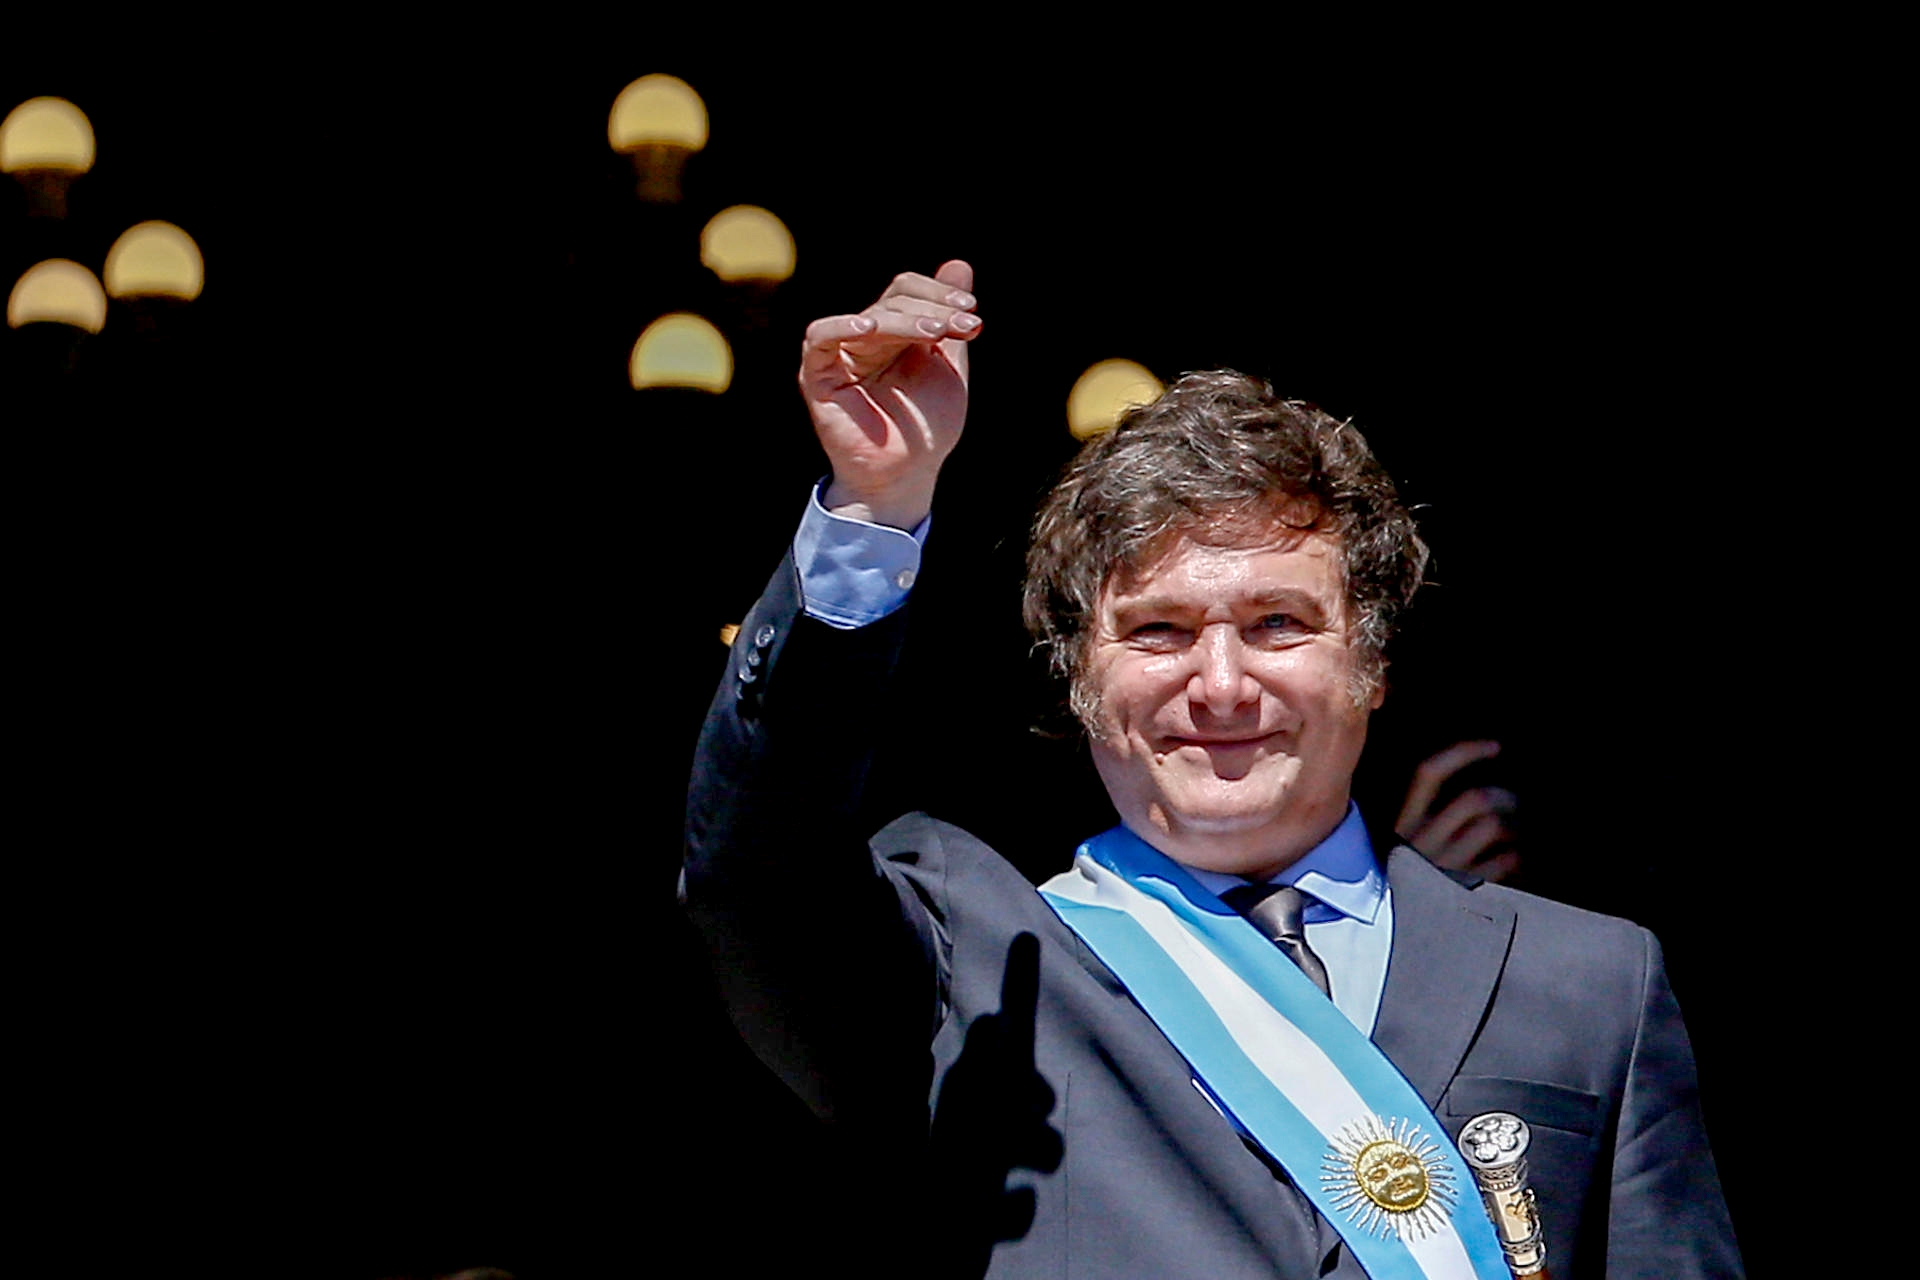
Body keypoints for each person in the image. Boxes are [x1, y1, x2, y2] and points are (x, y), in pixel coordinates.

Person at [681, 262, 1740, 1279]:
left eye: (1278, 623)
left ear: (1371, 663)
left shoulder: (1590, 980)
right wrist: (875, 504)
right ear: (1078, 676)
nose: (1221, 684)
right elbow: (755, 868)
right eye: (1158, 631)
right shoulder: (972, 959)